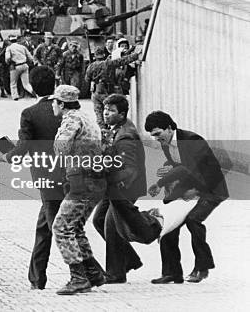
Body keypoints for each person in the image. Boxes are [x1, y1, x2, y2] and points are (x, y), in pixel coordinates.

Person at [144, 111, 229, 284]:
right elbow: (181, 168)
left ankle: (202, 268)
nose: (156, 139)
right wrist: (160, 184)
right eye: (153, 136)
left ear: (169, 128)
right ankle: (171, 272)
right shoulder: (166, 142)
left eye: (158, 134)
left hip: (211, 188)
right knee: (168, 219)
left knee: (193, 220)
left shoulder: (192, 140)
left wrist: (196, 192)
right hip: (191, 185)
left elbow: (214, 171)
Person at [2, 67, 62, 290]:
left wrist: (7, 155)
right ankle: (36, 279)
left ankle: (93, 272)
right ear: (54, 83)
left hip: (47, 178)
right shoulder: (66, 108)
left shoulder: (30, 113)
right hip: (69, 175)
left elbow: (24, 147)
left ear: (31, 87)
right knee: (45, 227)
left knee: (60, 228)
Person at [50, 85, 106, 295]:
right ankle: (93, 273)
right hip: (94, 180)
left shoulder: (71, 119)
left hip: (82, 180)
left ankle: (79, 277)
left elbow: (62, 147)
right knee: (76, 227)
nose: (52, 106)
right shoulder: (86, 115)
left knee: (61, 227)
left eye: (54, 102)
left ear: (62, 104)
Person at [92, 94, 147, 284]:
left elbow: (130, 169)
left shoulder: (126, 135)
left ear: (122, 114)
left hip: (125, 188)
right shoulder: (115, 129)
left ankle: (116, 273)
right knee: (99, 220)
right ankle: (130, 260)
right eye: (105, 109)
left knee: (112, 224)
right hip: (114, 186)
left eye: (111, 111)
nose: (106, 113)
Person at [84, 46, 141, 129]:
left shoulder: (91, 66)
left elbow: (87, 79)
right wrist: (136, 55)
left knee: (99, 114)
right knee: (110, 112)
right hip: (107, 91)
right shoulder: (108, 63)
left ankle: (103, 132)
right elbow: (122, 61)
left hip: (96, 92)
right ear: (104, 54)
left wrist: (94, 80)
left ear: (95, 56)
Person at [5, 35, 35, 101]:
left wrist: (9, 63)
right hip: (24, 65)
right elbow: (30, 57)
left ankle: (15, 97)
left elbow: (7, 58)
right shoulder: (23, 47)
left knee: (13, 83)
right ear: (16, 40)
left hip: (15, 66)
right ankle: (34, 92)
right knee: (26, 84)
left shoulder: (9, 48)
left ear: (10, 41)